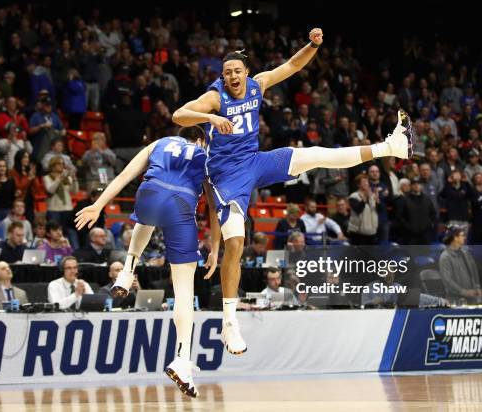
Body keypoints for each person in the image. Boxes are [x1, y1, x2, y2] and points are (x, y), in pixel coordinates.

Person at [172, 29, 413, 355]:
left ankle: (391, 146)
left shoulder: (257, 84)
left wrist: (312, 45)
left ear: (245, 72)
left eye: (237, 71)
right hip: (226, 177)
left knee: (314, 155)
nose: (232, 76)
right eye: (227, 72)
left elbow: (292, 66)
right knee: (236, 241)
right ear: (222, 76)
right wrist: (211, 117)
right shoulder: (216, 97)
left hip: (255, 162)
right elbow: (179, 114)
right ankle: (229, 322)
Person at [75, 126, 220, 398]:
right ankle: (181, 358)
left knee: (147, 216)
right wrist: (214, 247)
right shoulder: (205, 154)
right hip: (181, 204)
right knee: (184, 291)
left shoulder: (158, 143)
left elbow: (124, 175)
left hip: (149, 194)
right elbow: (213, 206)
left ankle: (127, 270)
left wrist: (98, 205)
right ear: (200, 139)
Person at [439, 226, 481, 305]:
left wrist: (477, 287)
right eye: (462, 235)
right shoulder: (445, 257)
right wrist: (463, 292)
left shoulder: (466, 253)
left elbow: (474, 271)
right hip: (455, 300)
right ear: (455, 237)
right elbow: (447, 280)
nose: (465, 237)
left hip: (471, 299)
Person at [43, 155, 79, 228]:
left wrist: (74, 179)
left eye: (63, 164)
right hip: (54, 210)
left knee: (68, 230)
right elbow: (50, 190)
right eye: (59, 164)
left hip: (68, 208)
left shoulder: (67, 177)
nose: (62, 166)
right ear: (52, 166)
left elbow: (75, 191)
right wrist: (59, 179)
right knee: (54, 230)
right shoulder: (47, 177)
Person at [348, 174, 380, 245]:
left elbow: (379, 210)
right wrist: (365, 197)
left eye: (367, 181)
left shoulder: (372, 196)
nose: (366, 183)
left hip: (372, 233)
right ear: (358, 185)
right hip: (358, 234)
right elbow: (358, 209)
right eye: (363, 182)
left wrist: (378, 201)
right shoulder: (353, 196)